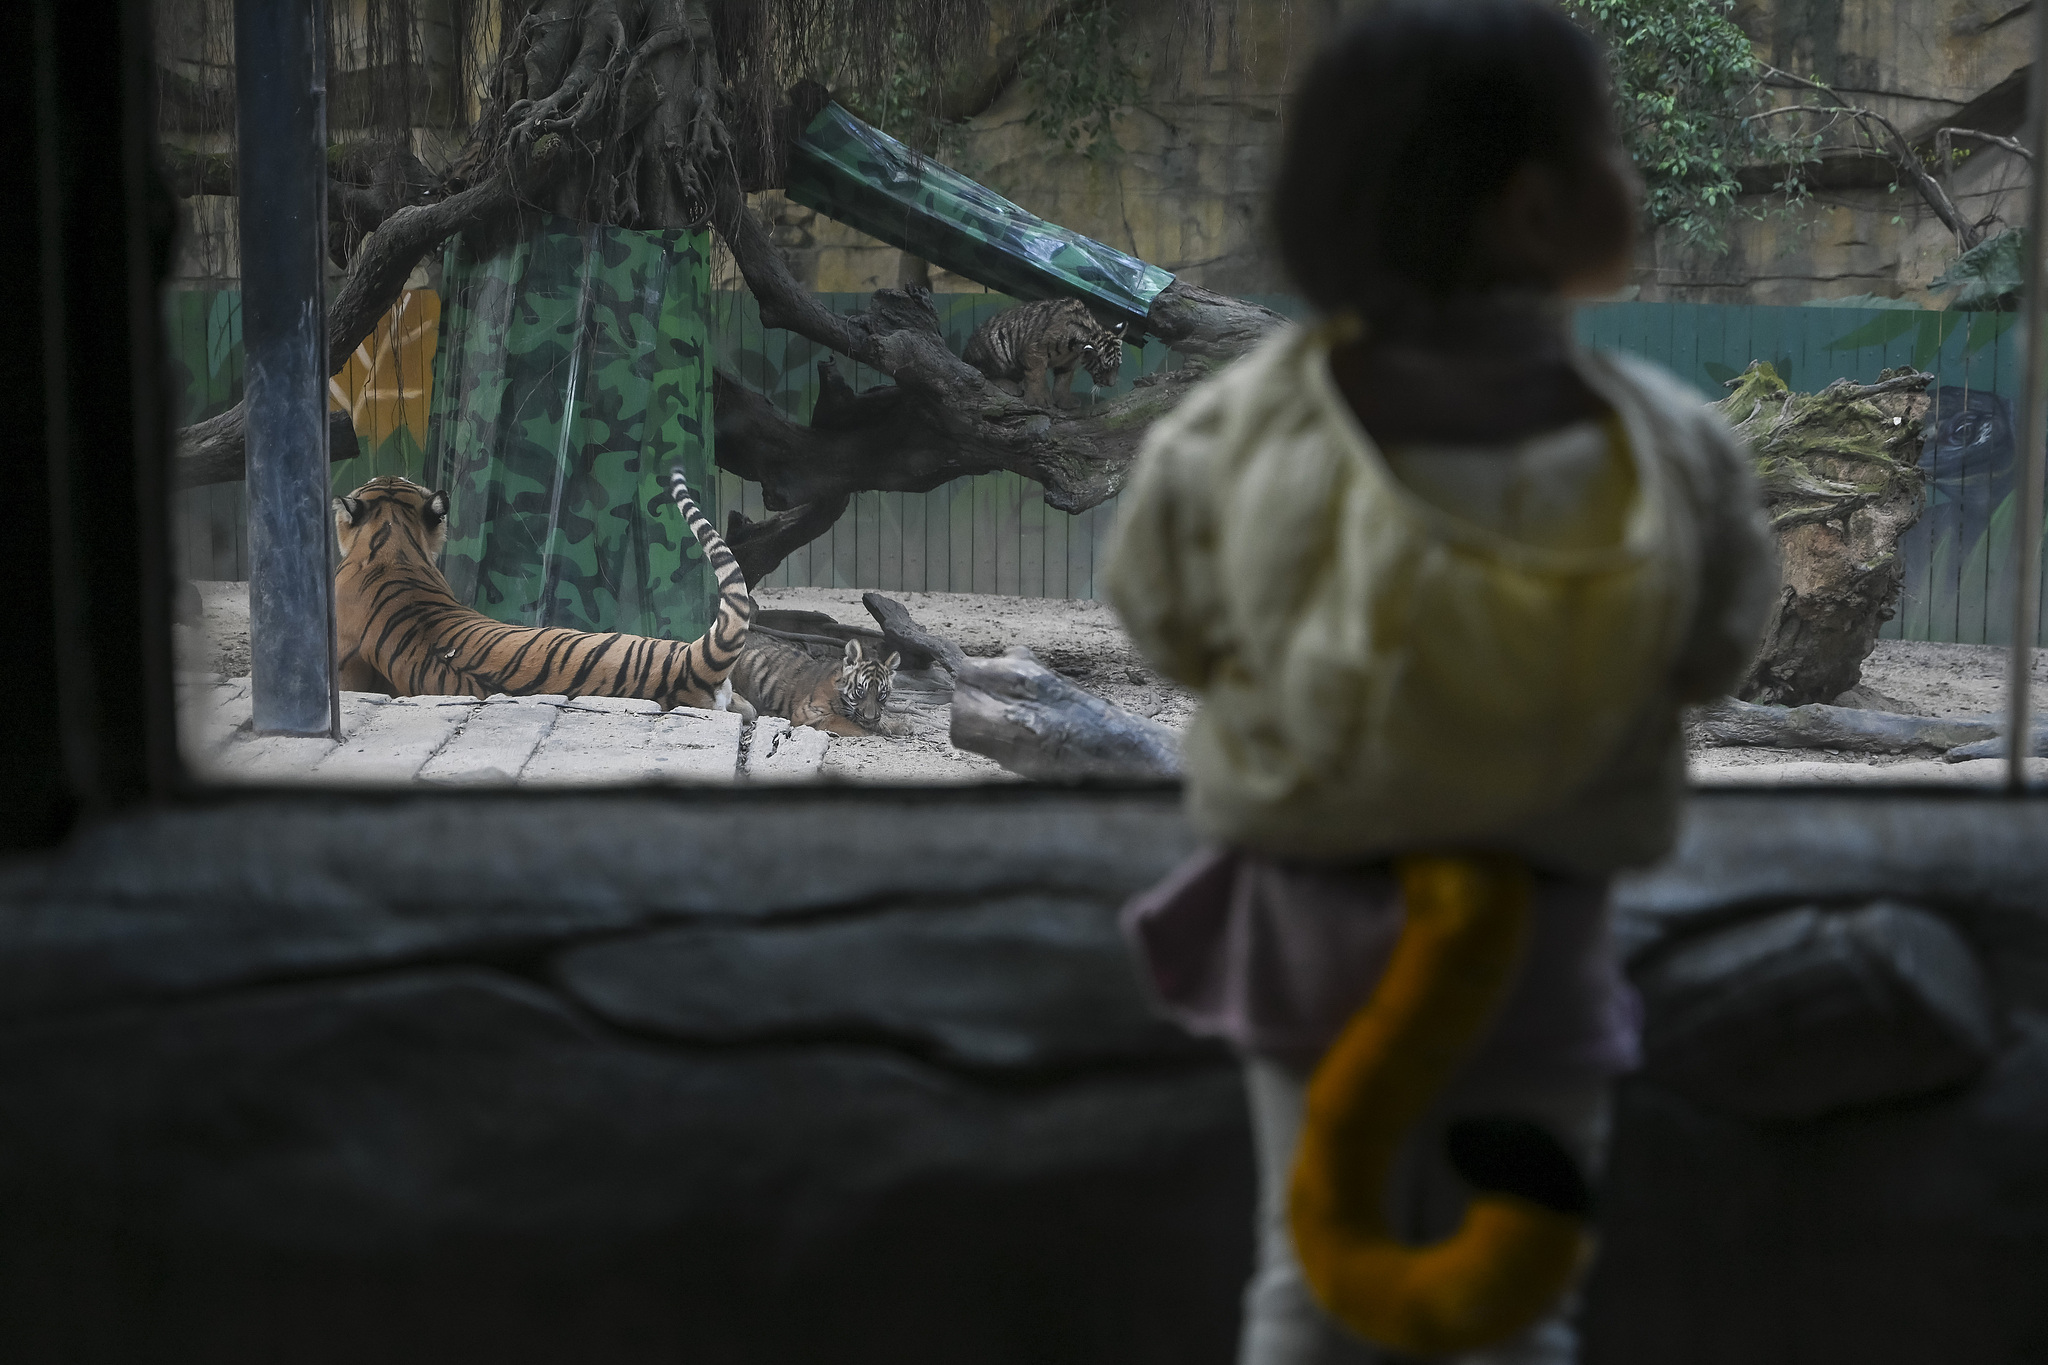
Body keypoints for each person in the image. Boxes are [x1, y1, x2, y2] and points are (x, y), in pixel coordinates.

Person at [1102, 4, 1778, 1363]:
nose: (1633, 178)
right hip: (1540, 940)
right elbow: (1720, 651)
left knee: (1306, 1281)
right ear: (1536, 209)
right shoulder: (1677, 444)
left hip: (1309, 927)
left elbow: (1160, 621)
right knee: (1516, 1300)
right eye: (1614, 149)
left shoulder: (1235, 430)